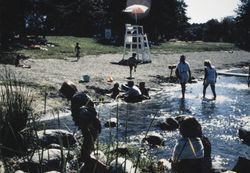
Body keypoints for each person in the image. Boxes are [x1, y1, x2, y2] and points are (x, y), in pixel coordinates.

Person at [59, 81, 101, 163]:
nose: (64, 96)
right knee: (89, 150)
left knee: (85, 155)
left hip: (90, 127)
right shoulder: (82, 94)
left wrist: (84, 127)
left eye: (64, 94)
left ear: (67, 92)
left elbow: (82, 114)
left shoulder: (75, 99)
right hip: (95, 125)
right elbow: (91, 106)